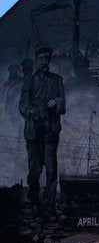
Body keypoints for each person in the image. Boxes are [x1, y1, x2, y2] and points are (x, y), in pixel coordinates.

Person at [18, 44, 65, 211]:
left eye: (47, 58)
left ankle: (49, 201)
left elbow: (63, 105)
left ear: (49, 60)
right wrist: (34, 111)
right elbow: (23, 105)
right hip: (34, 129)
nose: (44, 61)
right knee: (35, 167)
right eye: (41, 58)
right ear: (37, 60)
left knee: (51, 166)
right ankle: (34, 198)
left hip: (50, 129)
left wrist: (56, 103)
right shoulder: (29, 81)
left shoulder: (57, 80)